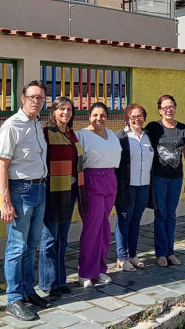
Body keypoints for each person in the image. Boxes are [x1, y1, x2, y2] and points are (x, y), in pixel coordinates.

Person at [0, 80, 51, 321]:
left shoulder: (37, 124)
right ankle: (14, 298)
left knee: (31, 245)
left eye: (40, 98)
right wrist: (5, 201)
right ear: (23, 98)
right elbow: (2, 164)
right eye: (32, 97)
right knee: (16, 247)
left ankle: (28, 291)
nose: (36, 101)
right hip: (21, 190)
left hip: (39, 189)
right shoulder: (12, 126)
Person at [38, 97, 86, 298]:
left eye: (69, 109)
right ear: (53, 111)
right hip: (53, 191)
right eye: (62, 109)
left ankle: (60, 280)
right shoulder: (46, 133)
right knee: (49, 239)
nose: (65, 112)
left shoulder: (72, 133)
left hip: (70, 191)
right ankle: (48, 282)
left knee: (63, 238)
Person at [76, 102, 122, 287]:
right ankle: (86, 272)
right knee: (91, 228)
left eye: (102, 115)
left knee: (104, 228)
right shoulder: (82, 135)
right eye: (95, 115)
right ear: (89, 116)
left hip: (110, 180)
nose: (99, 119)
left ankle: (100, 269)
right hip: (91, 181)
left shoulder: (110, 133)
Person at [145, 94, 185, 267]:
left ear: (175, 107)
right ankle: (161, 253)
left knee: (171, 215)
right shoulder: (152, 127)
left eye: (171, 106)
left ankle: (170, 252)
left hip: (176, 178)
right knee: (161, 214)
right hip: (158, 177)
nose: (168, 109)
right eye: (165, 107)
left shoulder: (183, 129)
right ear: (159, 110)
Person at [115, 103, 155, 271]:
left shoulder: (148, 136)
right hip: (126, 187)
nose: (136, 119)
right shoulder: (121, 137)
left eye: (140, 116)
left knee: (136, 221)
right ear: (127, 118)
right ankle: (121, 257)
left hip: (144, 186)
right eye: (133, 116)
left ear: (144, 117)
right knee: (124, 221)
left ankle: (133, 255)